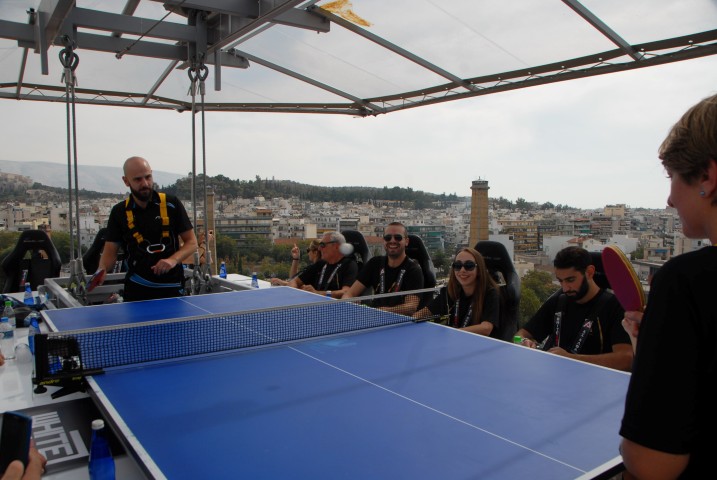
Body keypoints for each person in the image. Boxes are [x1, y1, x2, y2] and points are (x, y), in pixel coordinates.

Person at [619, 93, 717, 479]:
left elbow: (651, 463)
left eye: (672, 177)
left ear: (707, 177)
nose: (670, 200)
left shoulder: (685, 282)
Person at [515, 246, 633, 372]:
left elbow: (626, 359)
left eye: (570, 280)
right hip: (554, 374)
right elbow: (519, 335)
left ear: (589, 272)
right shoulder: (558, 302)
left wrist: (571, 359)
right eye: (560, 281)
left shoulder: (615, 307)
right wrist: (524, 341)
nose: (565, 288)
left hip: (595, 379)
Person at [98, 156, 197, 302]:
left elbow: (192, 242)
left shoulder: (172, 204)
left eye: (148, 177)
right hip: (137, 289)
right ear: (126, 181)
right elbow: (110, 251)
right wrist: (102, 269)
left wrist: (172, 260)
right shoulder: (119, 212)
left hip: (172, 288)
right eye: (138, 179)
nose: (145, 183)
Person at [414, 248, 500, 336]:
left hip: (475, 342)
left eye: (469, 265)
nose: (462, 270)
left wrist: (454, 333)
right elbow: (425, 312)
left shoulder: (490, 293)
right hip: (452, 339)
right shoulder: (450, 291)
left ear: (479, 270)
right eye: (458, 265)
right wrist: (411, 319)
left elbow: (486, 328)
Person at [343, 222, 424, 315]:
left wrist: (383, 311)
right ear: (383, 241)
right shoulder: (374, 263)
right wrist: (347, 303)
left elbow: (411, 307)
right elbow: (350, 293)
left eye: (398, 237)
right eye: (388, 238)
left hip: (398, 320)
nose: (392, 241)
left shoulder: (413, 270)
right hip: (373, 317)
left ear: (406, 241)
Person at [288, 232, 357, 298]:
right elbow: (294, 281)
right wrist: (294, 292)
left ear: (336, 246)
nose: (319, 248)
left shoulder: (349, 265)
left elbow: (346, 292)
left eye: (322, 245)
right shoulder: (321, 264)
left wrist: (317, 293)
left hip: (335, 305)